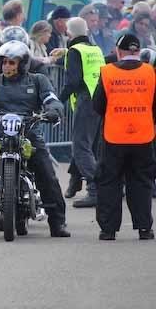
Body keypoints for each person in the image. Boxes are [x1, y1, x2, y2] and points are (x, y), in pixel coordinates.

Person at [0, 41, 70, 239]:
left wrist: (54, 110)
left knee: (47, 173)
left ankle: (57, 223)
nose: (6, 66)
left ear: (23, 64)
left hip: (29, 132)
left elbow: (51, 99)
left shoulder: (38, 80)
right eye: (4, 62)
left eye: (11, 62)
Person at [92, 34, 156, 241]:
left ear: (118, 51)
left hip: (114, 136)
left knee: (109, 182)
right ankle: (144, 228)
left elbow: (98, 105)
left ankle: (108, 230)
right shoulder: (150, 72)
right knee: (141, 182)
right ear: (138, 51)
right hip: (143, 135)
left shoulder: (107, 72)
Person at [59, 17, 105, 208]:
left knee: (81, 147)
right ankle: (75, 181)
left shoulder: (74, 51)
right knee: (89, 145)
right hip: (99, 100)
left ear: (68, 33)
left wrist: (57, 100)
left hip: (85, 102)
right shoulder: (95, 49)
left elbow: (73, 81)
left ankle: (96, 189)